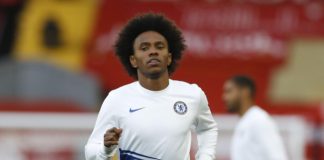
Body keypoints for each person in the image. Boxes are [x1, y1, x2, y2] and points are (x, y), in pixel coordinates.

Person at [85, 13, 218, 160]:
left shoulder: (192, 94)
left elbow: (208, 128)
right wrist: (105, 150)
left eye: (159, 46)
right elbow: (90, 150)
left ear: (169, 57)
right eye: (144, 48)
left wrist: (205, 157)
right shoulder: (117, 99)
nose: (153, 51)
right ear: (133, 60)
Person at [222, 75, 288, 160]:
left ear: (245, 92)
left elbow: (278, 157)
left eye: (229, 91)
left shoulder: (259, 120)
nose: (224, 97)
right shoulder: (245, 121)